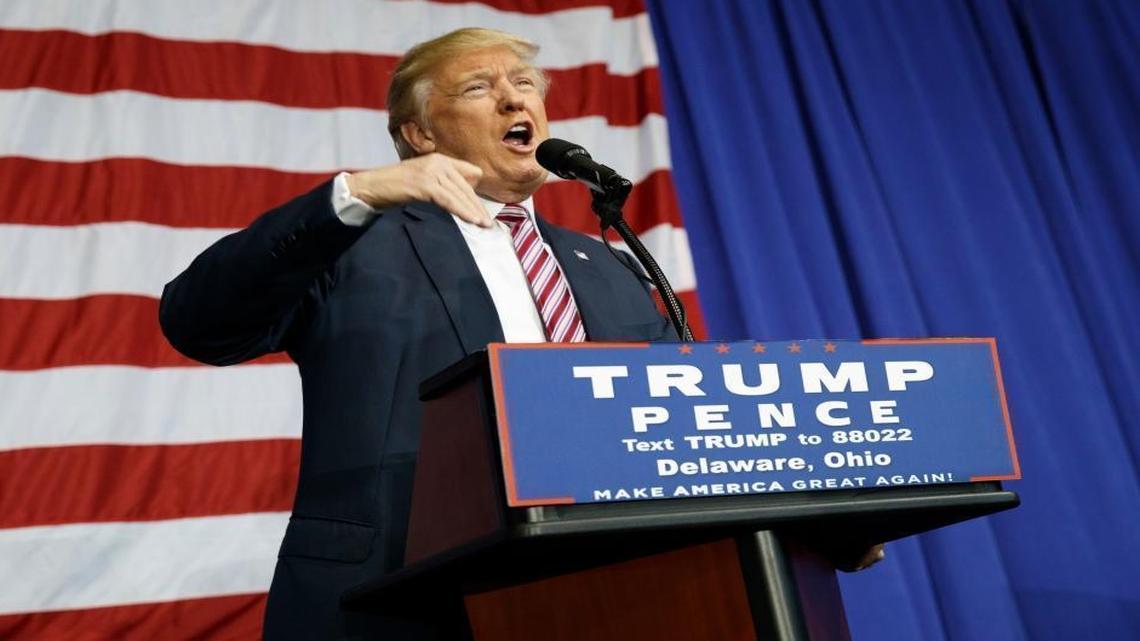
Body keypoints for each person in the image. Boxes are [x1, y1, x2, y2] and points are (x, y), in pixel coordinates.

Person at [160, 27, 675, 640]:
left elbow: (669, 420)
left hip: (600, 595)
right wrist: (356, 195)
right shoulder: (354, 243)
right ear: (420, 134)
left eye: (526, 85)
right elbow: (199, 324)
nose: (515, 102)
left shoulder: (610, 267)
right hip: (397, 595)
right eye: (480, 88)